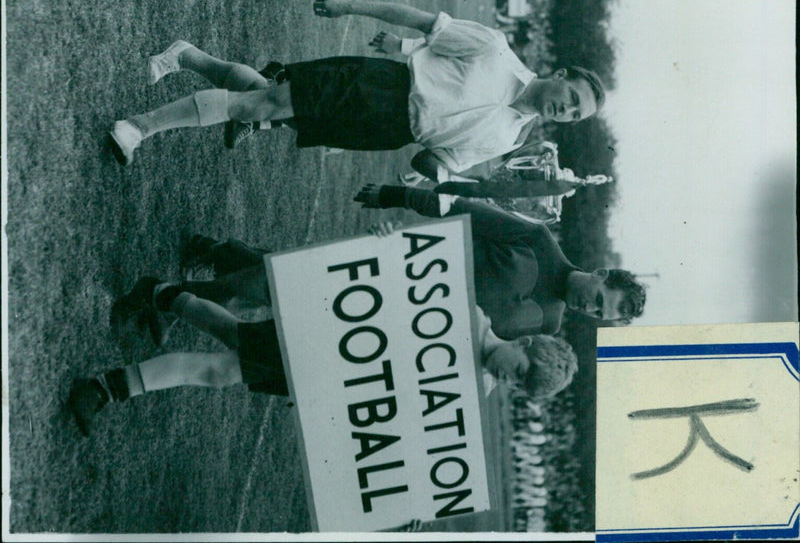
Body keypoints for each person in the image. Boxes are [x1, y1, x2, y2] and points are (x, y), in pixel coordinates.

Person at [67, 245, 578, 441]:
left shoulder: (476, 391)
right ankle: (104, 388)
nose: (505, 379)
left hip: (325, 379)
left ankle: (159, 294)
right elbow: (396, 284)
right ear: (526, 344)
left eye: (514, 386)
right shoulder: (466, 314)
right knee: (220, 370)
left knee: (228, 338)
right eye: (516, 371)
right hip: (325, 339)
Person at [108, 0, 605, 172]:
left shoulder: (508, 140)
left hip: (386, 132)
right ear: (560, 75)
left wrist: (438, 183)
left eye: (576, 115)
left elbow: (438, 162)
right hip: (383, 85)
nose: (567, 110)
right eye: (573, 99)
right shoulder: (495, 50)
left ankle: (186, 55)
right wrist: (351, 5)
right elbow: (421, 20)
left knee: (267, 105)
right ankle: (137, 127)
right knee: (263, 106)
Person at [354, 185, 648, 339]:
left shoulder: (548, 324)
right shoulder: (538, 238)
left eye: (598, 313)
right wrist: (393, 195)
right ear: (600, 273)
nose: (589, 308)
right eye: (598, 299)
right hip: (399, 274)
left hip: (403, 324)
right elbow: (461, 209)